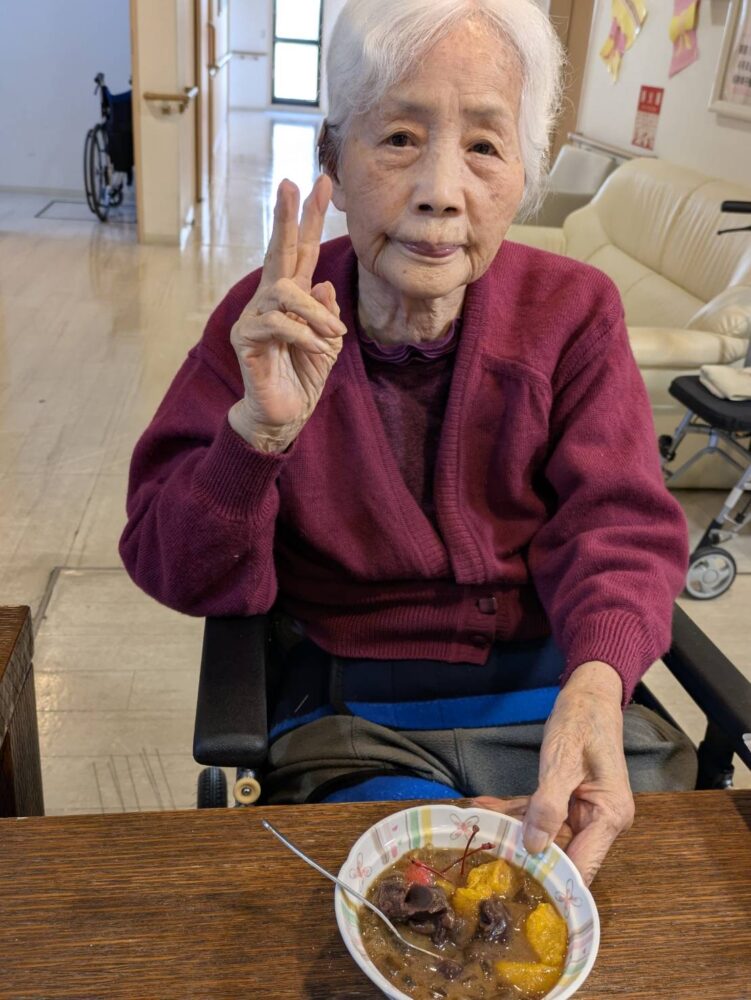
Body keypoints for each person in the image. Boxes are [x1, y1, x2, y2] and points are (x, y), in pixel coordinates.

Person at [120, 0, 695, 885]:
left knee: (634, 896)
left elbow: (616, 530)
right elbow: (175, 567)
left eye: (485, 146)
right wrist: (256, 437)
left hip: (549, 697)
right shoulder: (267, 319)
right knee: (413, 907)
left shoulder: (573, 312)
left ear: (524, 176)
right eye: (397, 138)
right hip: (353, 714)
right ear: (333, 160)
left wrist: (596, 684)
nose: (439, 190)